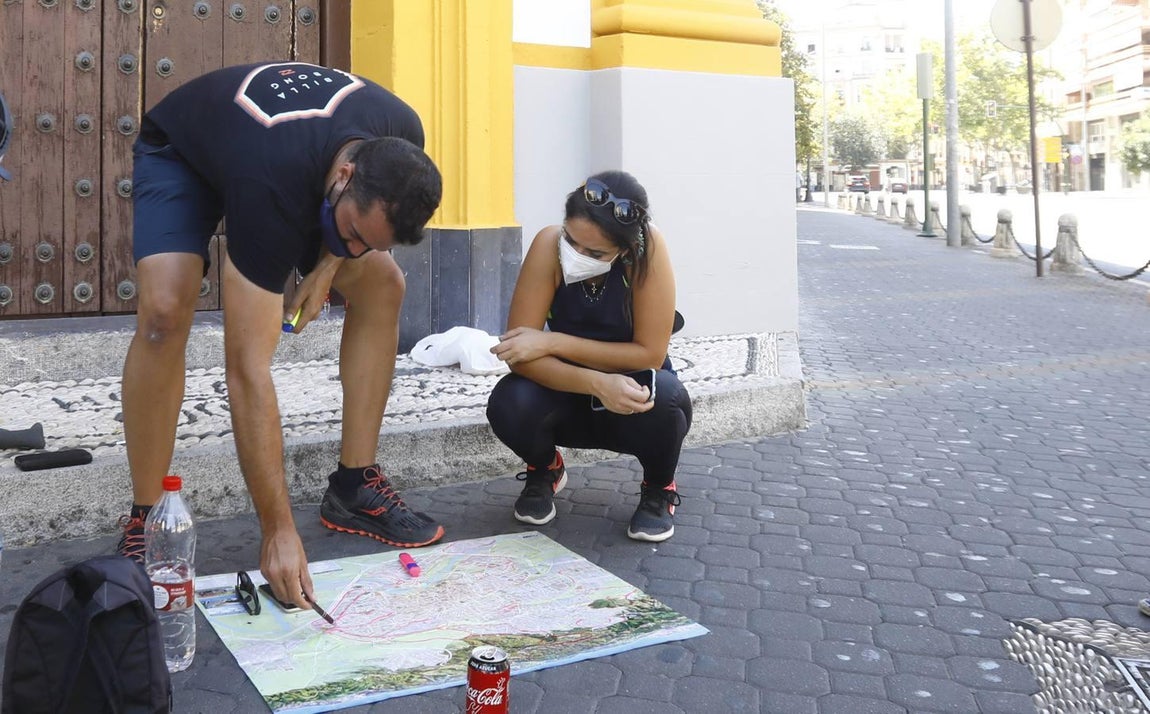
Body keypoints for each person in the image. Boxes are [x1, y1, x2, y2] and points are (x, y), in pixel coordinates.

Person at [115, 62, 445, 610]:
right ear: (343, 177)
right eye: (354, 235)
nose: (357, 247)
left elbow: (363, 240)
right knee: (165, 312)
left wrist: (331, 264)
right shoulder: (271, 178)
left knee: (383, 282)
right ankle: (147, 518)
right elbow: (248, 368)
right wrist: (278, 531)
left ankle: (355, 486)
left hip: (284, 162)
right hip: (187, 154)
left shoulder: (400, 137)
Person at [486, 171, 692, 542]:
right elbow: (519, 352)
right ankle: (545, 469)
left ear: (626, 249)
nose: (576, 255)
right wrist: (596, 382)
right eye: (571, 241)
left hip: (630, 397)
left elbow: (649, 353)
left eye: (594, 253)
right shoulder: (548, 245)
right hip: (563, 389)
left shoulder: (648, 252)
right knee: (509, 400)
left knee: (664, 394)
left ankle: (658, 489)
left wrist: (552, 343)